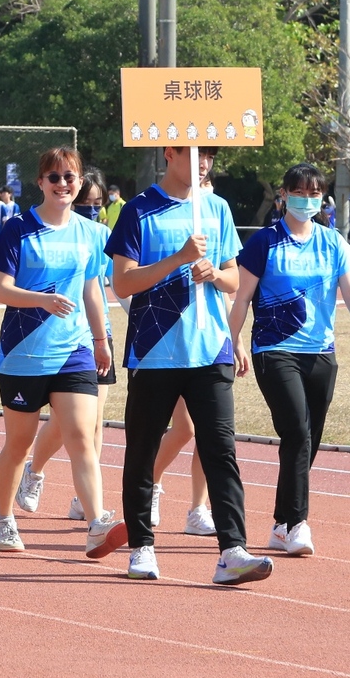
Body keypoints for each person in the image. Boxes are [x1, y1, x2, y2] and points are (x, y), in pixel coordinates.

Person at [107, 144, 271, 585]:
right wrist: (178, 259)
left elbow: (234, 277)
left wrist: (215, 275)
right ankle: (141, 546)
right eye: (194, 154)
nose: (203, 163)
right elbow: (122, 281)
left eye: (210, 155)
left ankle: (232, 550)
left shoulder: (216, 208)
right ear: (169, 153)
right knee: (142, 450)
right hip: (155, 351)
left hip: (210, 349)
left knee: (221, 450)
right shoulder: (139, 210)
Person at [230, 162, 350, 560]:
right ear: (283, 195)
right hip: (274, 350)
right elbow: (242, 298)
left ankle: (281, 522)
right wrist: (234, 342)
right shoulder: (264, 242)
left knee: (306, 440)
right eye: (299, 192)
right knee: (297, 432)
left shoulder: (332, 241)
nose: (307, 200)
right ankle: (297, 523)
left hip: (321, 354)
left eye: (315, 194)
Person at [0, 147, 119, 558]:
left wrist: (100, 340)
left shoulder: (92, 233)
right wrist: (41, 300)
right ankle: (3, 518)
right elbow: (1, 290)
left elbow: (92, 289)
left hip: (73, 349)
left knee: (81, 435)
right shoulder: (18, 228)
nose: (63, 184)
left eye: (70, 177)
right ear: (41, 182)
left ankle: (97, 523)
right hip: (24, 353)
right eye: (55, 177)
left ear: (80, 183)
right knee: (19, 444)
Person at [17, 168, 117, 522]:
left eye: (97, 203)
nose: (92, 209)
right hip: (52, 339)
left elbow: (115, 284)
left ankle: (86, 500)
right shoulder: (50, 230)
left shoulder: (102, 235)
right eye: (86, 202)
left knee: (92, 424)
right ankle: (35, 470)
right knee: (65, 421)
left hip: (95, 338)